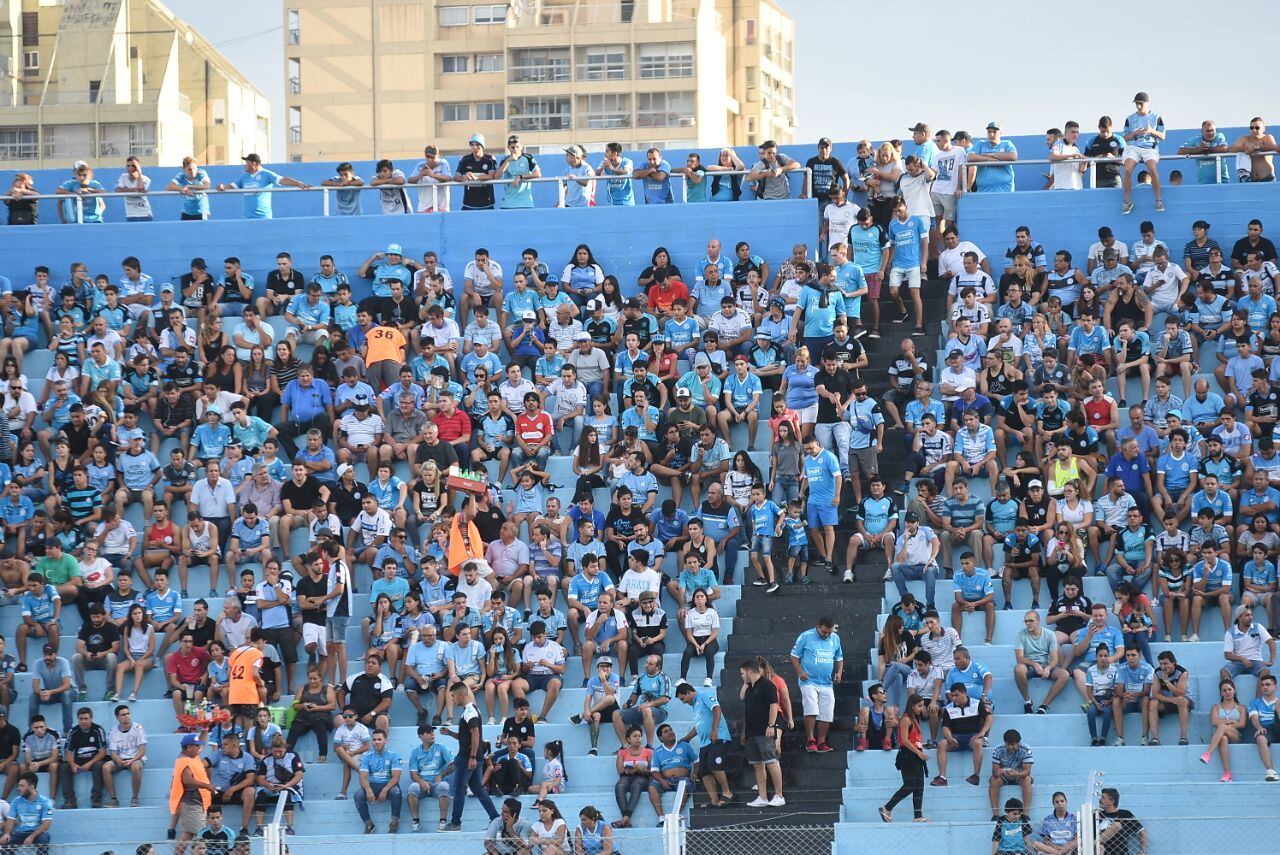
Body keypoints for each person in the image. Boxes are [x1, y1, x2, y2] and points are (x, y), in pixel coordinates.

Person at [440, 681, 498, 831]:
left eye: (453, 696)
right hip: (473, 757)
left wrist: (472, 757)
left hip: (468, 758)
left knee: (459, 789)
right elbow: (467, 736)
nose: (452, 699)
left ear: (461, 694)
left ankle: (456, 823)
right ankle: (496, 819)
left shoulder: (469, 712)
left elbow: (475, 734)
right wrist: (450, 733)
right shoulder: (471, 710)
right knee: (478, 789)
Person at [789, 617, 843, 753]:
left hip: (827, 682)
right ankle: (810, 739)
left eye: (829, 633)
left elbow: (839, 658)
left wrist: (839, 673)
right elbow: (794, 656)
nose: (827, 635)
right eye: (824, 632)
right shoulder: (806, 636)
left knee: (827, 713)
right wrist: (800, 671)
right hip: (808, 681)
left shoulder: (835, 638)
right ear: (818, 627)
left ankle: (821, 741)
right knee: (811, 708)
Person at [739, 658, 785, 808]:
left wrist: (771, 725)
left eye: (742, 673)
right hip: (752, 731)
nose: (741, 676)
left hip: (765, 730)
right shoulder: (750, 688)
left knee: (771, 761)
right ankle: (762, 796)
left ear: (749, 671)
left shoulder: (767, 685)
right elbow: (742, 699)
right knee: (757, 764)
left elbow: (773, 706)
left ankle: (779, 795)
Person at [879, 694, 929, 823]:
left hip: (915, 754)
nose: (921, 708)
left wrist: (921, 747)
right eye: (919, 706)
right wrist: (918, 753)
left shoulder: (914, 719)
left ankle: (918, 815)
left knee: (919, 786)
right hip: (908, 755)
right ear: (912, 706)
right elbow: (905, 741)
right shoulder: (906, 719)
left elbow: (913, 739)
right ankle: (887, 807)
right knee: (910, 785)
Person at [1121, 92, 1165, 214]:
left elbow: (1162, 136)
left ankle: (1158, 200)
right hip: (1134, 148)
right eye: (1136, 104)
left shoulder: (1156, 117)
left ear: (1147, 103)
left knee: (1152, 168)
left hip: (1150, 148)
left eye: (1141, 104)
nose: (1138, 106)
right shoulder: (1130, 119)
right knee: (1128, 170)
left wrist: (1151, 131)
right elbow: (1124, 138)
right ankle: (1127, 201)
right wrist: (1135, 133)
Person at [170, 733, 214, 852]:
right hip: (192, 803)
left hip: (198, 802)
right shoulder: (183, 761)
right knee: (189, 835)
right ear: (189, 747)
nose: (199, 748)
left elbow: (202, 744)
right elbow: (188, 780)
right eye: (196, 745)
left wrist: (205, 729)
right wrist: (207, 786)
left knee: (195, 836)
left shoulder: (192, 756)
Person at [407, 724, 454, 833]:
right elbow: (413, 774)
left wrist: (441, 775)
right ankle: (416, 822)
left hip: (436, 784)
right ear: (421, 736)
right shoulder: (415, 753)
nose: (432, 734)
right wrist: (421, 782)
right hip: (422, 784)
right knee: (413, 787)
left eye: (432, 732)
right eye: (428, 732)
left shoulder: (441, 747)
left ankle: (442, 822)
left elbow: (453, 764)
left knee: (444, 786)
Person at [354, 728, 402, 834]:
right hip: (373, 785)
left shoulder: (394, 755)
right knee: (358, 795)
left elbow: (395, 777)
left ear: (386, 741)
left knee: (396, 792)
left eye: (379, 739)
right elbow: (362, 777)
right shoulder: (367, 756)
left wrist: (385, 790)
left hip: (388, 785)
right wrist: (368, 789)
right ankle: (369, 824)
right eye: (374, 740)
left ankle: (394, 821)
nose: (376, 742)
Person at [988, 728, 1034, 822]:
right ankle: (995, 815)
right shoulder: (998, 749)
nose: (1010, 747)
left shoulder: (1026, 749)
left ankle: (1025, 815)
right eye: (1008, 744)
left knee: (1027, 780)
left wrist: (1017, 774)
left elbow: (1027, 771)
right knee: (993, 780)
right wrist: (999, 771)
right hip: (1005, 775)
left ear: (1018, 743)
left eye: (1012, 744)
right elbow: (994, 771)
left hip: (1019, 775)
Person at [4, 771, 53, 855]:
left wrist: (31, 836)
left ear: (31, 787)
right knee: (5, 843)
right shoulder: (16, 801)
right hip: (20, 832)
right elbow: (10, 820)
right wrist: (7, 833)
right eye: (19, 785)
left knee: (44, 840)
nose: (18, 788)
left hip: (37, 833)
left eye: (22, 786)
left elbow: (46, 824)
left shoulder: (45, 801)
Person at [1095, 788, 1147, 855]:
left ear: (1112, 801)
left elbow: (1142, 832)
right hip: (1100, 851)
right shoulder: (1097, 815)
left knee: (1117, 825)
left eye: (1103, 798)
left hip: (1119, 852)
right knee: (1100, 848)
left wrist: (1142, 851)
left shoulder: (1125, 814)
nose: (1100, 800)